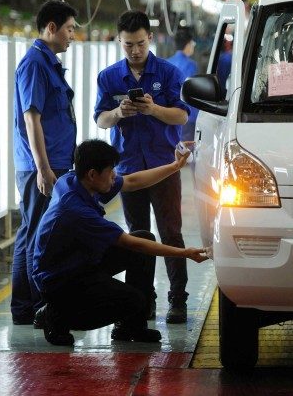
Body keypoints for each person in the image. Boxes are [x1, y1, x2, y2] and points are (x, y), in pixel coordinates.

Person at [32, 139, 208, 346]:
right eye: (111, 171)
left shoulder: (74, 180)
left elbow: (132, 181)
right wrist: (185, 253)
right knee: (132, 300)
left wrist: (175, 166)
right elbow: (130, 243)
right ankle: (56, 316)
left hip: (79, 260)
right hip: (59, 280)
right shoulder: (75, 210)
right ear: (92, 174)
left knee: (144, 236)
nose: (115, 175)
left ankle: (132, 327)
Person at [94, 10, 192, 324]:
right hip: (128, 171)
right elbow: (100, 120)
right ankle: (143, 301)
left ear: (150, 37)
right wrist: (119, 113)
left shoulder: (170, 72)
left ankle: (178, 299)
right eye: (127, 45)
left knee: (171, 234)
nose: (134, 50)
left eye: (139, 43)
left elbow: (182, 116)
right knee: (138, 236)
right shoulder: (109, 78)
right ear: (119, 42)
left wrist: (154, 109)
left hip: (164, 166)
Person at [11, 0, 78, 326]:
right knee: (36, 234)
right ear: (51, 28)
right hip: (42, 166)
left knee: (35, 232)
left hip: (53, 163)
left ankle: (28, 307)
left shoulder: (47, 62)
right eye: (69, 29)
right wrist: (43, 168)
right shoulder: (35, 64)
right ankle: (30, 307)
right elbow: (31, 119)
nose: (72, 36)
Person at [167, 27, 198, 142]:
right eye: (193, 43)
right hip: (187, 116)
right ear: (188, 44)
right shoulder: (191, 65)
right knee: (187, 151)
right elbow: (191, 91)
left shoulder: (167, 63)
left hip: (169, 114)